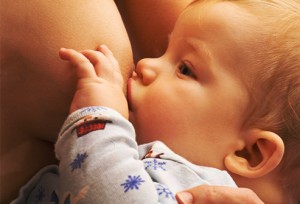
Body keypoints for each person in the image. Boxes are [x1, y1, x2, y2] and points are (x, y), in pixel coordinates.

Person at [1, 0, 263, 203]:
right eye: (163, 52)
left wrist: (100, 117)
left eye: (184, 69)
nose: (145, 65)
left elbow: (111, 197)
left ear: (247, 153)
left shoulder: (198, 187)